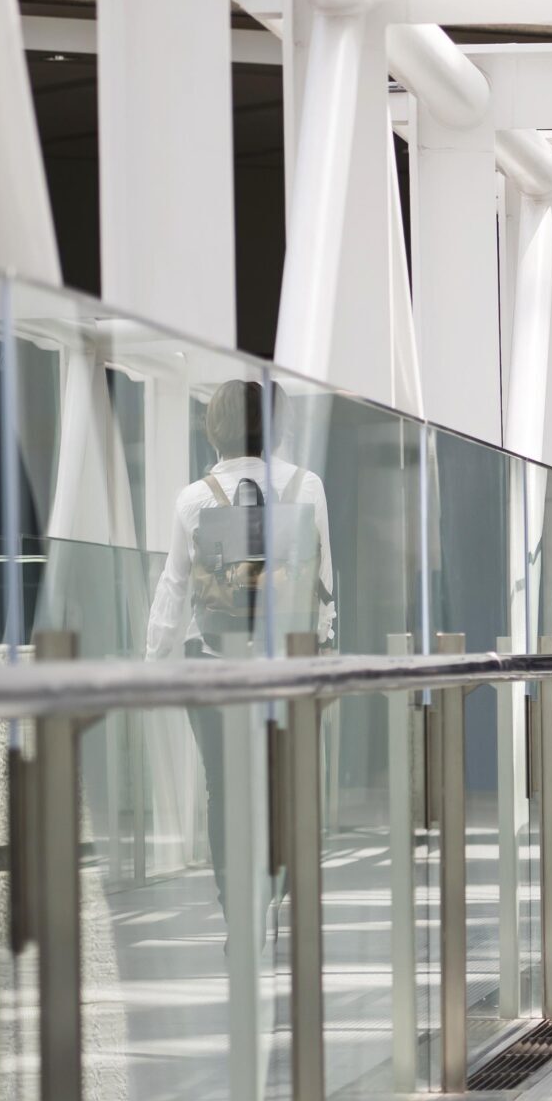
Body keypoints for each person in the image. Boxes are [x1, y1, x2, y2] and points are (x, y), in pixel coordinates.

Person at [146, 379, 335, 914]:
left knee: (222, 788)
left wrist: (153, 659)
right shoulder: (307, 486)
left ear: (216, 427)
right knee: (286, 775)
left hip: (213, 661)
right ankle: (280, 881)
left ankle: (236, 909)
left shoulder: (194, 497)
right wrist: (320, 645)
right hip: (287, 661)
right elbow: (322, 578)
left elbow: (174, 585)